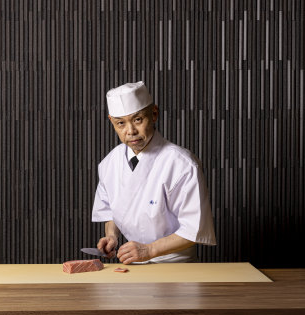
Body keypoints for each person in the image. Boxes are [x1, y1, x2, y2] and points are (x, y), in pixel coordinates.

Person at [92, 81, 216, 264]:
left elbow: (193, 228)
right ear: (112, 122)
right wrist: (111, 236)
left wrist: (150, 250)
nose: (131, 131)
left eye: (138, 120)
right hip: (133, 263)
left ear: (154, 114)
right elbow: (111, 211)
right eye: (121, 123)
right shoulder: (109, 163)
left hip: (177, 266)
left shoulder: (183, 164)